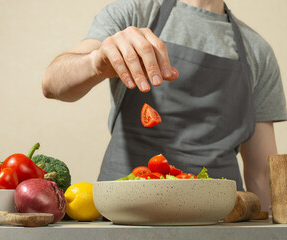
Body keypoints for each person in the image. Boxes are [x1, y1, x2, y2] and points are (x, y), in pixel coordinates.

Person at [41, 0, 287, 211]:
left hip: (221, 218)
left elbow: (261, 174)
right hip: (127, 211)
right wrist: (96, 63)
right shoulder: (135, 13)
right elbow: (52, 83)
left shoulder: (258, 50)